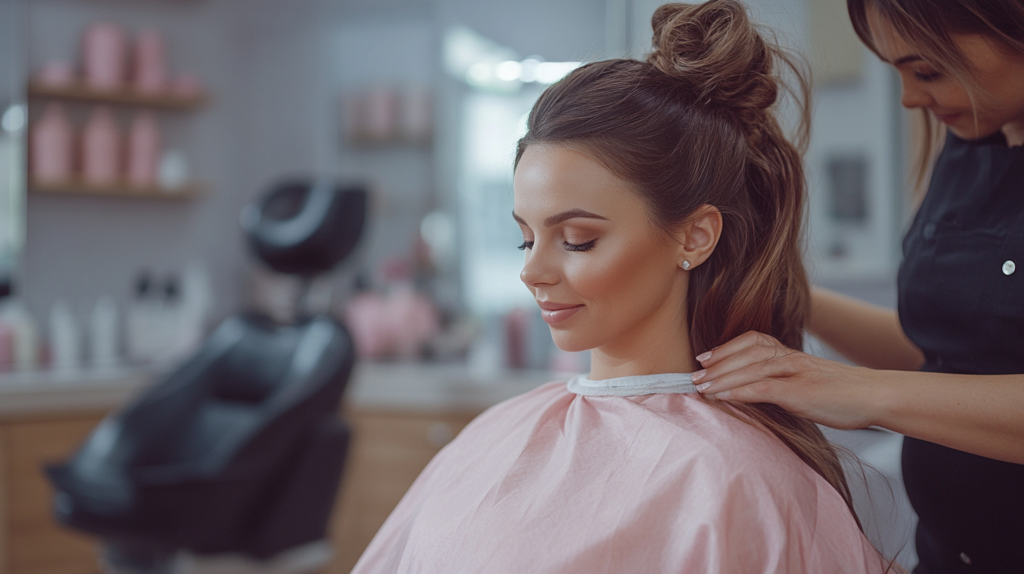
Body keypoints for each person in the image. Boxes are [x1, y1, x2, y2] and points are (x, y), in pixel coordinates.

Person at [352, 2, 892, 572]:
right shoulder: (491, 436)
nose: (531, 272)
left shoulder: (735, 477)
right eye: (525, 239)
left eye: (578, 240)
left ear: (695, 236)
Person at [691, 1, 1024, 572]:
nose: (909, 99)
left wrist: (864, 392)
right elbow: (945, 356)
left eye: (926, 71)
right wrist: (786, 292)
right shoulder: (971, 144)